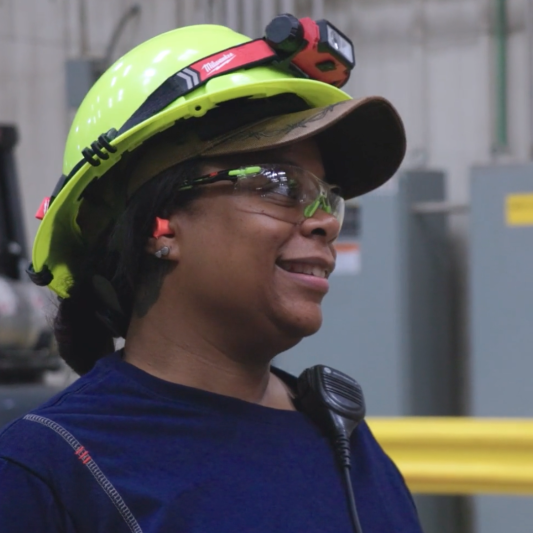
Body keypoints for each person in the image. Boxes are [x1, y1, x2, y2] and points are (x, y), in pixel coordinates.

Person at [0, 19, 423, 533]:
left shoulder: (340, 434)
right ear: (157, 227)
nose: (326, 220)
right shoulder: (45, 471)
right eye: (281, 184)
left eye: (326, 195)